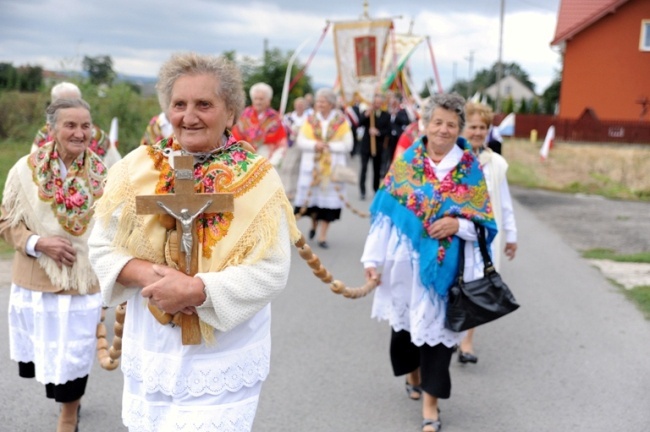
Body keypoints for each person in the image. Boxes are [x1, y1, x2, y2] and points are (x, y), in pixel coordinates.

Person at [88, 52, 300, 432]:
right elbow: (101, 247)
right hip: (153, 338)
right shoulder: (135, 170)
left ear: (231, 112)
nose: (189, 116)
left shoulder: (257, 178)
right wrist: (151, 276)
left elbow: (272, 271)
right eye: (179, 104)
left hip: (223, 348)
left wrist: (196, 289)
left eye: (204, 104)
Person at [360, 93, 497, 432]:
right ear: (425, 124)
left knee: (439, 335)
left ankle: (431, 406)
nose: (443, 130)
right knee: (405, 330)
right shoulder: (408, 161)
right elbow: (385, 216)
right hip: (404, 263)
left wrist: (458, 224)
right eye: (437, 122)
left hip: (447, 267)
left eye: (451, 124)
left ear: (459, 128)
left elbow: (484, 221)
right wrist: (372, 260)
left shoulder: (470, 168)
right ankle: (412, 374)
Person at [1, 98, 107, 432]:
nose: (80, 133)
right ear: (51, 129)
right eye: (70, 125)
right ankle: (66, 402)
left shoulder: (104, 176)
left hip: (83, 280)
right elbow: (7, 221)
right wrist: (38, 243)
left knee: (74, 353)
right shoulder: (24, 169)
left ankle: (68, 415)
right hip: (38, 278)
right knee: (50, 358)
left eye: (86, 125)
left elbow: (116, 227)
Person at [457, 101, 518, 364]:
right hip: (456, 233)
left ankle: (467, 341)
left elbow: (504, 202)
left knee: (477, 285)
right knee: (453, 282)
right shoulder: (453, 159)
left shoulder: (496, 163)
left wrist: (511, 235)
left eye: (483, 127)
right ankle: (448, 333)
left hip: (484, 238)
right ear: (463, 128)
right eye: (472, 127)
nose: (478, 132)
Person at [293, 87, 354, 249]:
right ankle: (314, 224)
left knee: (328, 204)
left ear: (331, 104)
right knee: (313, 202)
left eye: (323, 101)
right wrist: (315, 145)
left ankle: (322, 235)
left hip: (332, 169)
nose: (319, 104)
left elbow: (348, 145)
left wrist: (329, 147)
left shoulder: (341, 121)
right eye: (318, 101)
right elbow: (301, 141)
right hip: (312, 168)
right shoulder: (310, 120)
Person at [32, 82, 121, 167]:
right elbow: (32, 170)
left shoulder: (99, 138)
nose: (79, 135)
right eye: (66, 105)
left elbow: (117, 169)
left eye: (76, 103)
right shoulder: (43, 135)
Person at [231, 82, 288, 167]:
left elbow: (281, 142)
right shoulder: (244, 115)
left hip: (267, 161)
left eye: (261, 99)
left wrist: (273, 162)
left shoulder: (274, 118)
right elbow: (236, 138)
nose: (258, 102)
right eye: (255, 98)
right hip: (245, 160)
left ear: (268, 101)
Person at [358, 92, 391, 200]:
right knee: (364, 168)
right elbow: (359, 122)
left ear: (381, 104)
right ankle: (362, 190)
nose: (377, 104)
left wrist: (378, 132)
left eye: (379, 103)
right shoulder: (368, 113)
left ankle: (376, 190)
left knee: (376, 170)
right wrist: (367, 114)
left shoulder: (386, 115)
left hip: (378, 146)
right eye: (375, 102)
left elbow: (388, 131)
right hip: (366, 146)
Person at [384, 92, 413, 176]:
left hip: (397, 137)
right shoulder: (388, 111)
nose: (394, 103)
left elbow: (405, 121)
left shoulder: (402, 111)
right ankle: (386, 171)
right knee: (387, 155)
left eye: (395, 101)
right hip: (389, 138)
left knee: (396, 155)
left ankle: (394, 172)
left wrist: (396, 115)